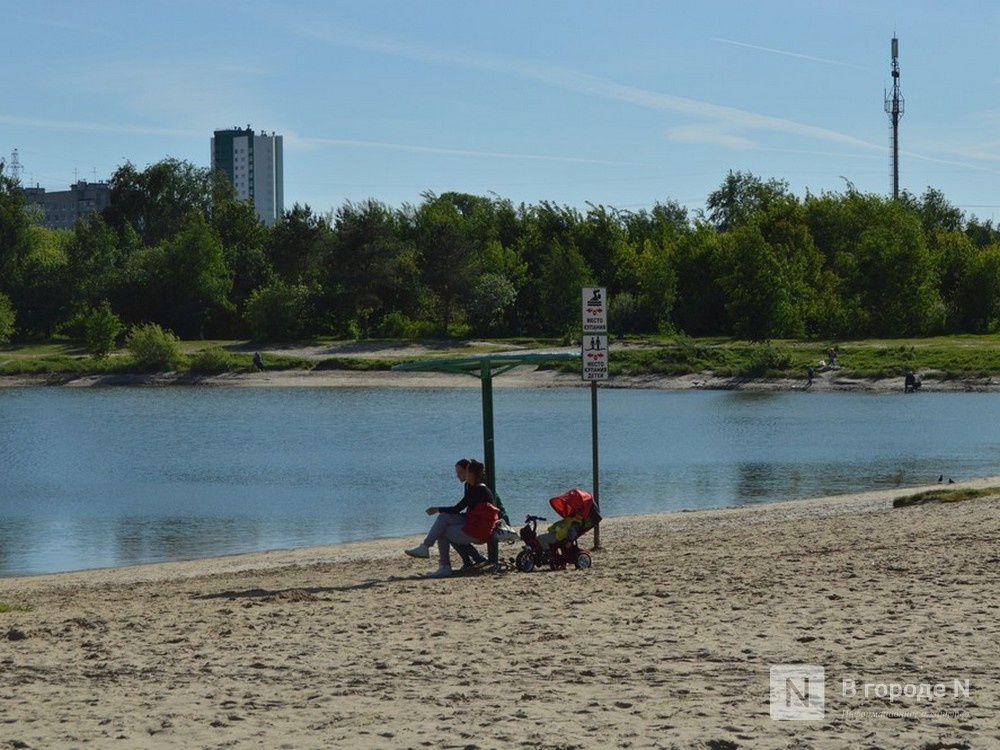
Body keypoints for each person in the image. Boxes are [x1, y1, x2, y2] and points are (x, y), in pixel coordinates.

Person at [405, 459, 497, 578]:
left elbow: (458, 508)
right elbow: (470, 511)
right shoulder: (475, 488)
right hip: (476, 525)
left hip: (479, 530)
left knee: (442, 531)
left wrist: (438, 509)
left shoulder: (479, 490)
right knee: (443, 519)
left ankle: (443, 565)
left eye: (465, 472)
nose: (462, 475)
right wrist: (440, 511)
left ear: (472, 474)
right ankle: (428, 549)